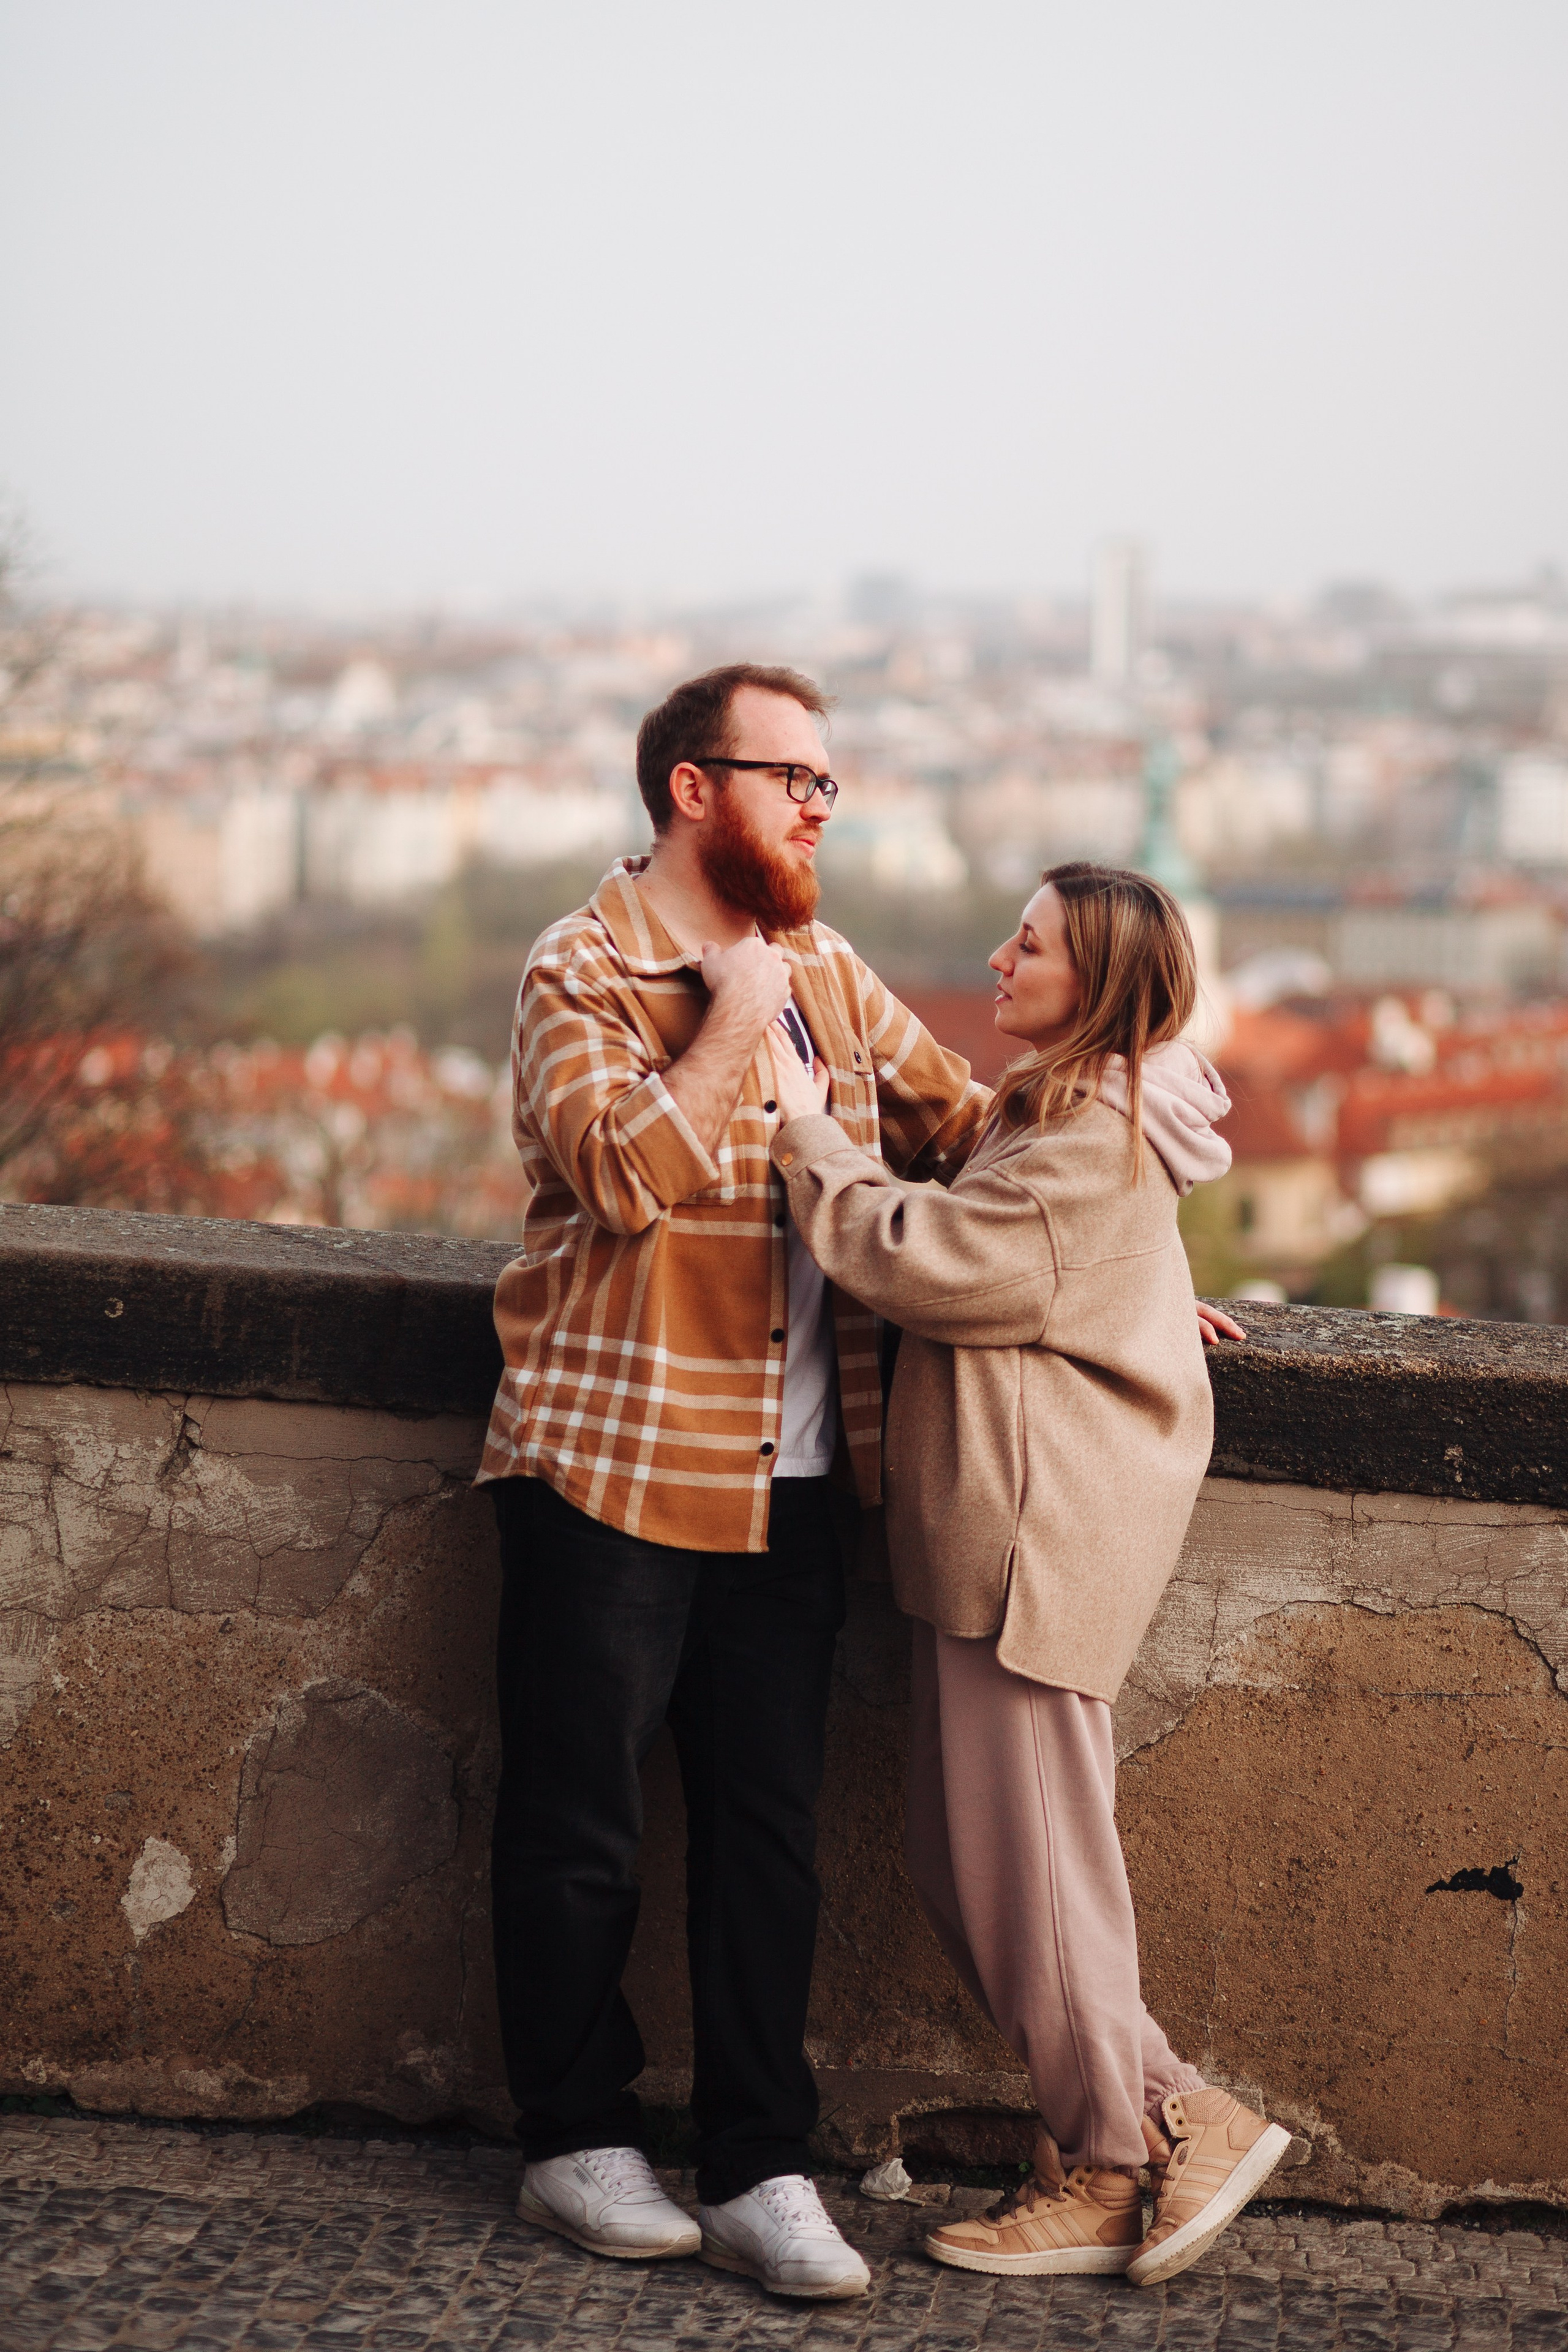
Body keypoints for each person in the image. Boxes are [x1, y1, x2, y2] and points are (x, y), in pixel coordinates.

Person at [477, 662, 992, 2301]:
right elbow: (623, 1172)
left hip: (795, 1470)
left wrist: (1125, 1255)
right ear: (694, 786)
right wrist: (742, 1017)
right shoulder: (586, 967)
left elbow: (969, 1132)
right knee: (582, 1827)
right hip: (610, 1461)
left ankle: (764, 2163)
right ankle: (574, 2136)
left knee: (769, 1835)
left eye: (832, 785)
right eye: (797, 780)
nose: (823, 809)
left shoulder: (831, 974)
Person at [764, 861, 1287, 2290]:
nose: (998, 960)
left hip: (1030, 1543)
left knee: (1030, 1873)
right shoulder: (1062, 1115)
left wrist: (808, 1138)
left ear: (1100, 985)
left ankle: (1121, 2153)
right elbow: (1039, 1249)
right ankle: (1165, 2117)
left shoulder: (1088, 1138)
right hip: (1006, 1530)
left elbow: (923, 1255)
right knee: (986, 1859)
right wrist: (1123, 1285)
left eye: (1031, 945)